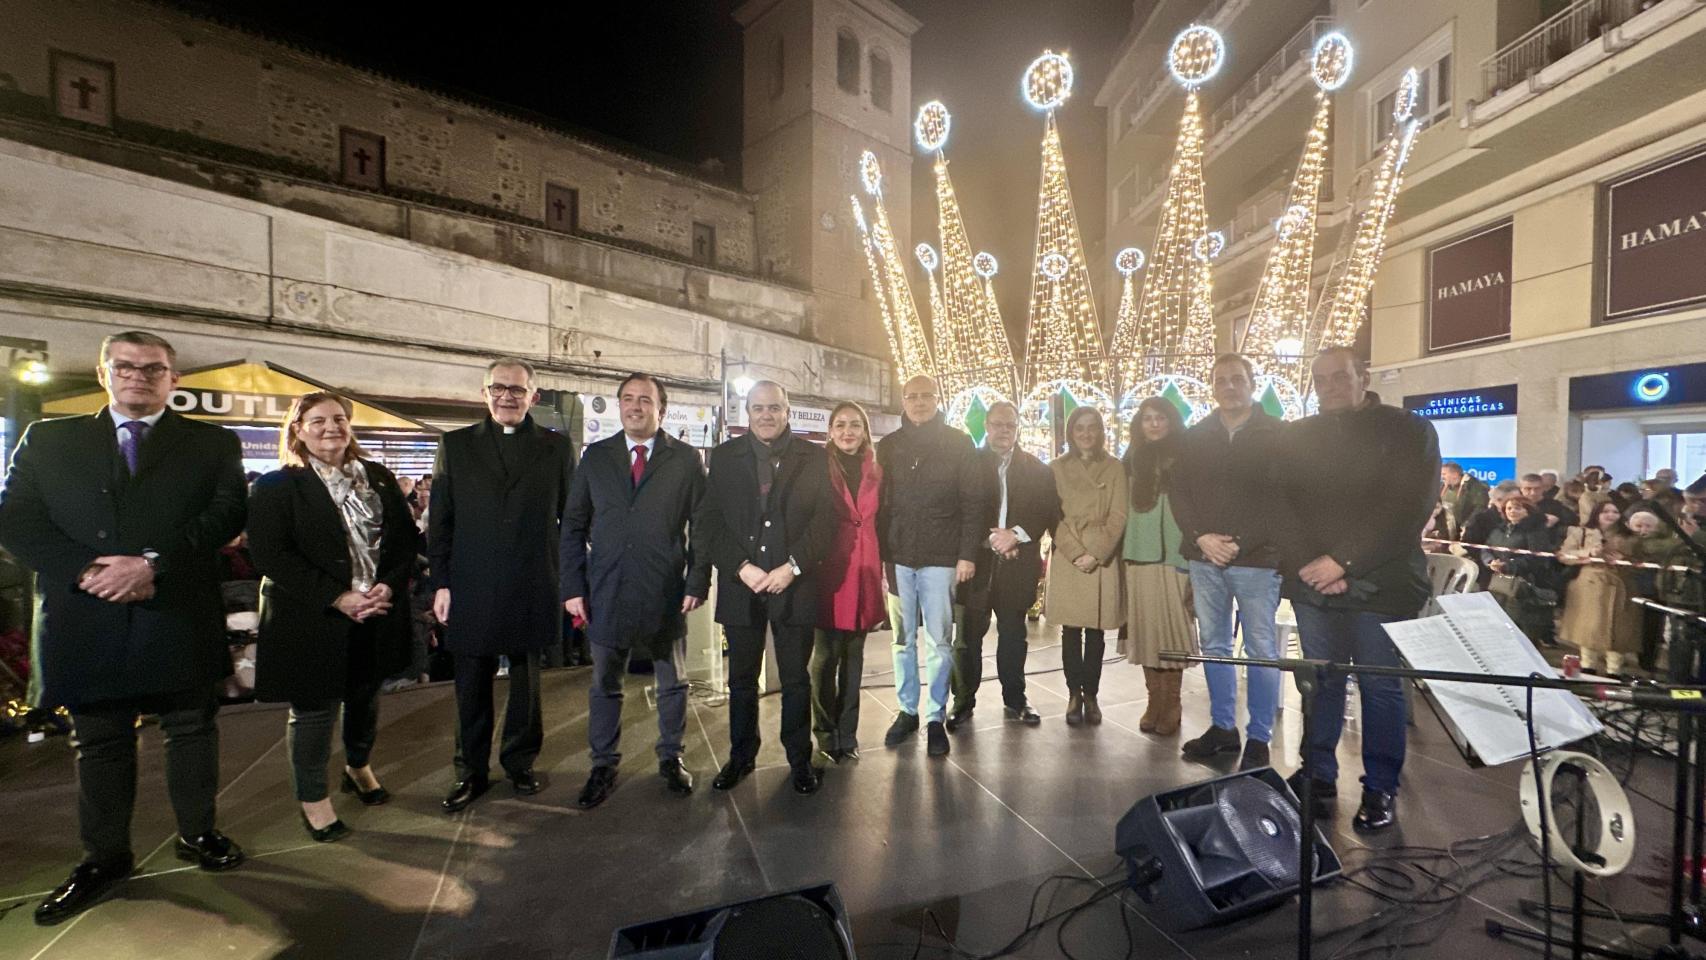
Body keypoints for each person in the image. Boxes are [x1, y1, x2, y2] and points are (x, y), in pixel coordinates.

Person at [0, 331, 248, 925]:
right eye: (127, 366)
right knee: (100, 743)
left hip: (175, 609)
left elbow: (227, 514)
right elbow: (17, 520)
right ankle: (104, 858)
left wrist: (152, 564)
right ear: (104, 372)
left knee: (191, 731)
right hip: (87, 614)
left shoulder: (211, 442)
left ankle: (198, 833)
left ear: (174, 380)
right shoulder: (51, 438)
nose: (140, 376)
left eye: (154, 368)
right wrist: (89, 571)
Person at [1275, 346, 1440, 832]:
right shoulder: (1296, 435)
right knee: (1320, 679)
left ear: (1362, 376)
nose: (1329, 386)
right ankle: (1319, 775)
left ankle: (1380, 786)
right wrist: (1312, 564)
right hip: (1312, 582)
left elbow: (1409, 505)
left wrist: (1343, 562)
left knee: (1379, 685)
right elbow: (1282, 504)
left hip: (1383, 580)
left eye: (1339, 376)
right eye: (1320, 379)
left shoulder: (1408, 429)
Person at [249, 392, 420, 841]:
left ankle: (358, 766)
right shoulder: (277, 486)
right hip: (311, 614)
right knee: (313, 711)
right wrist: (337, 596)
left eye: (340, 419)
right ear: (297, 429)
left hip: (375, 609)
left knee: (365, 695)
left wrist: (389, 585)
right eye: (319, 420)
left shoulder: (378, 478)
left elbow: (404, 542)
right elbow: (271, 555)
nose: (332, 427)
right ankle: (313, 798)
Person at [429, 358, 577, 813]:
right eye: (499, 388)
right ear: (484, 393)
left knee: (527, 683)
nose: (508, 396)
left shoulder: (555, 446)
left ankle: (519, 763)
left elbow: (570, 520)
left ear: (534, 396)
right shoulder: (454, 446)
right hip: (471, 582)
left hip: (533, 579)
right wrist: (441, 582)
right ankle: (470, 771)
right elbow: (441, 520)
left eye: (518, 389)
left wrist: (571, 580)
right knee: (470, 683)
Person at [562, 372, 711, 808]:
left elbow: (701, 526)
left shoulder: (685, 460)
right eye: (627, 399)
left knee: (673, 682)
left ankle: (671, 757)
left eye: (644, 400)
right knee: (605, 683)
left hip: (665, 588)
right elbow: (572, 525)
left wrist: (697, 580)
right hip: (606, 588)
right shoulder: (596, 457)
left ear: (661, 409)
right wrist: (573, 586)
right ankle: (603, 764)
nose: (635, 406)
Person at [698, 381, 829, 796]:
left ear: (788, 410)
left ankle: (799, 759)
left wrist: (793, 567)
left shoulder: (815, 457)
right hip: (742, 587)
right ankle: (741, 756)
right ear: (747, 412)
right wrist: (740, 567)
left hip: (795, 585)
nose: (766, 415)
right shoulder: (723, 458)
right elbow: (710, 523)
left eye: (774, 407)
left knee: (795, 679)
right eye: (758, 408)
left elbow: (826, 522)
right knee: (740, 679)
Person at [1170, 353, 1286, 770]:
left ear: (1252, 383)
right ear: (1213, 386)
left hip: (1258, 560)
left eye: (1237, 379)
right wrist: (1202, 538)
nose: (1229, 386)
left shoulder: (1277, 434)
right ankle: (1223, 728)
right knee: (1214, 645)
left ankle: (1259, 736)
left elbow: (1283, 499)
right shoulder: (1196, 436)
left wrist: (1239, 543)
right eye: (1221, 380)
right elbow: (1178, 493)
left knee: (1260, 648)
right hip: (1205, 559)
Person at [876, 374, 984, 758]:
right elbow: (878, 504)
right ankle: (907, 711)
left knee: (939, 640)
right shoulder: (887, 447)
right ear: (903, 401)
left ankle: (935, 715)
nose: (919, 402)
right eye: (912, 396)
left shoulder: (958, 443)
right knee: (901, 639)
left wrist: (967, 553)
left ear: (937, 399)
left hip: (941, 559)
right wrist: (878, 555)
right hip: (897, 557)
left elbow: (973, 503)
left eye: (926, 396)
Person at [950, 400, 1059, 730]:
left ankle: (1016, 699)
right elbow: (960, 510)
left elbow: (1044, 510)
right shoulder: (968, 464)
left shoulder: (1037, 469)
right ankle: (963, 702)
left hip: (1017, 564)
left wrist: (1016, 535)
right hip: (977, 564)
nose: (1003, 431)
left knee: (1013, 636)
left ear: (1017, 428)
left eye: (1009, 425)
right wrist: (993, 540)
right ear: (986, 426)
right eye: (997, 424)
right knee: (967, 638)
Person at [812, 402, 885, 763]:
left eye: (855, 425)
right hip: (829, 568)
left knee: (854, 658)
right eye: (840, 425)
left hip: (866, 568)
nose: (847, 431)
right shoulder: (818, 466)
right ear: (830, 430)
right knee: (825, 657)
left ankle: (848, 733)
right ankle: (824, 731)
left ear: (865, 430)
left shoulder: (877, 468)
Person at [1120, 397, 1198, 737]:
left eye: (1160, 417)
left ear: (1171, 421)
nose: (1153, 424)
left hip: (1175, 555)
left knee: (1173, 631)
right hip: (1139, 553)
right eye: (1147, 418)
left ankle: (1173, 703)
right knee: (1147, 629)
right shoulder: (1131, 457)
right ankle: (1154, 701)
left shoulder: (1188, 455)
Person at [1045, 407, 1126, 726]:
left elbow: (1119, 515)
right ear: (1071, 433)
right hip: (1069, 552)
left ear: (1101, 431)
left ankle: (1090, 694)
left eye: (1092, 427)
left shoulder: (1115, 468)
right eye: (1080, 428)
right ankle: (1072, 694)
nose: (1086, 433)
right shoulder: (1055, 469)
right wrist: (1075, 551)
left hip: (1100, 553)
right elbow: (1052, 514)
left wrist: (1098, 552)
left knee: (1095, 631)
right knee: (1070, 629)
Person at [1557, 500, 1641, 676]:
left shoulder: (1631, 536)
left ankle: (1614, 671)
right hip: (1589, 585)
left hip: (1621, 585)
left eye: (1615, 511)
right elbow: (1564, 555)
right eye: (1605, 511)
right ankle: (1588, 667)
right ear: (1596, 514)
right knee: (1588, 629)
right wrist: (1588, 554)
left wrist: (1623, 559)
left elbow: (1642, 561)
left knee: (1619, 631)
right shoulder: (1581, 532)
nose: (1611, 515)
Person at [1483, 496, 1561, 646]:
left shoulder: (1536, 531)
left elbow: (1537, 558)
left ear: (1528, 510)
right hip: (1500, 585)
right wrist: (1490, 561)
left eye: (1518, 508)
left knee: (1524, 631)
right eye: (1509, 508)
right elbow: (1486, 548)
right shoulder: (1499, 529)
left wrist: (1509, 565)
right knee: (1501, 625)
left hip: (1526, 586)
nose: (1512, 511)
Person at [1439, 463, 1488, 541]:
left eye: (1444, 474)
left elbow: (1480, 508)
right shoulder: (1442, 486)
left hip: (1466, 533)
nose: (1442, 477)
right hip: (1446, 531)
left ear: (1455, 474)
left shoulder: (1474, 487)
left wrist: (1467, 525)